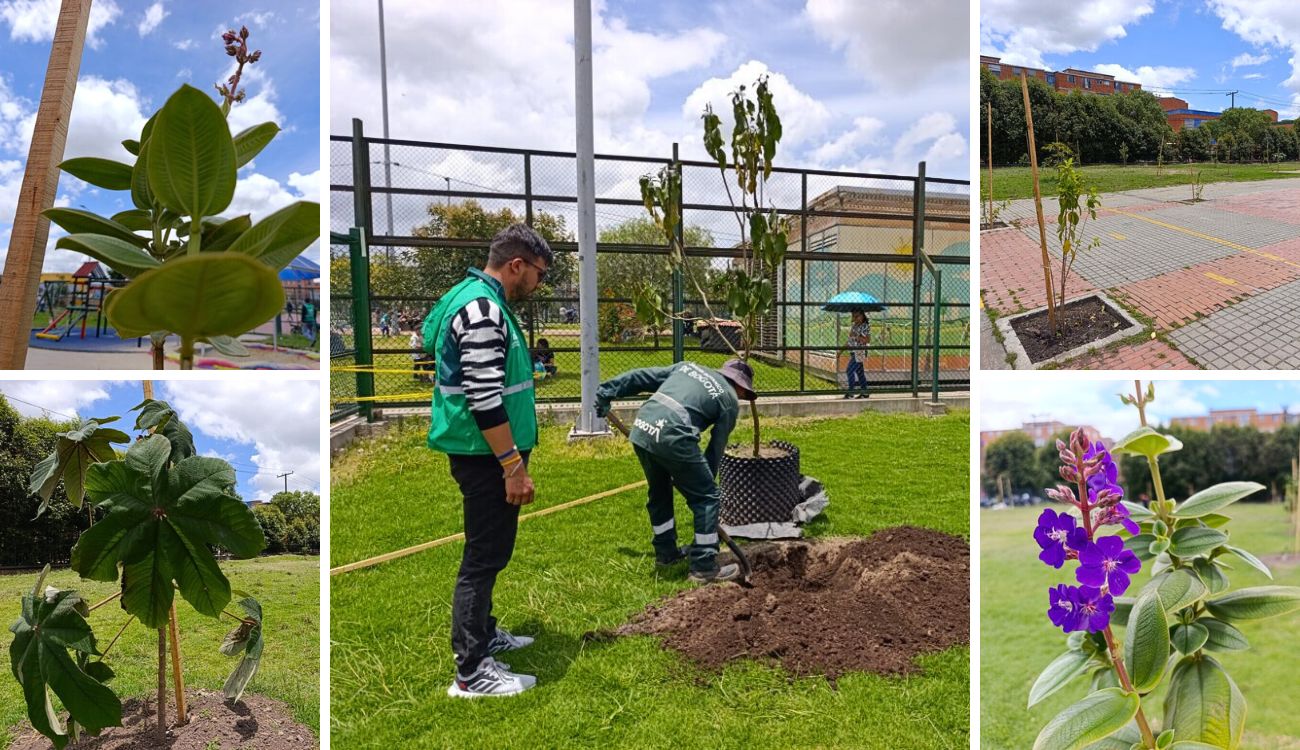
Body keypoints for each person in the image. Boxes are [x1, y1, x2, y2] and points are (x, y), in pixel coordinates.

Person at [423, 223, 553, 698]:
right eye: (538, 274)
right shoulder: (482, 310)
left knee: (492, 553)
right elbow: (482, 395)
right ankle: (472, 670)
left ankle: (485, 633)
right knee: (482, 558)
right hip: (486, 458)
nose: (538, 285)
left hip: (485, 455)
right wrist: (513, 466)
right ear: (517, 265)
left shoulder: (478, 298)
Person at [595, 359, 756, 583]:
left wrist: (606, 392)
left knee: (659, 491)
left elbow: (641, 376)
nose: (741, 397)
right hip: (673, 436)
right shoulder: (729, 400)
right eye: (744, 393)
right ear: (740, 385)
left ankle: (666, 553)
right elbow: (715, 450)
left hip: (643, 429)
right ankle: (704, 566)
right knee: (708, 498)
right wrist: (699, 485)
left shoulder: (688, 367)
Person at [843, 310, 870, 399]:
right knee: (859, 372)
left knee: (849, 370)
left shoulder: (865, 326)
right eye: (854, 316)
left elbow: (867, 340)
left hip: (860, 351)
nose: (855, 318)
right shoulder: (854, 326)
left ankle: (851, 392)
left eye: (857, 316)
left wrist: (857, 336)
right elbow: (849, 340)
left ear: (862, 316)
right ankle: (865, 392)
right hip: (853, 351)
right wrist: (840, 351)